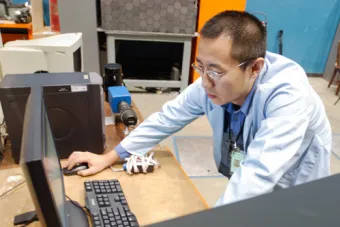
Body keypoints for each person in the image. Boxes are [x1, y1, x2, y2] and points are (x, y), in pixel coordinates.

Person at [66, 10, 332, 206]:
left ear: (255, 68)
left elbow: (260, 171)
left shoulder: (288, 96)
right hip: (249, 180)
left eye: (215, 72)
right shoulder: (213, 82)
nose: (204, 82)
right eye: (200, 66)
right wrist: (109, 157)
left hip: (296, 186)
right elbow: (167, 118)